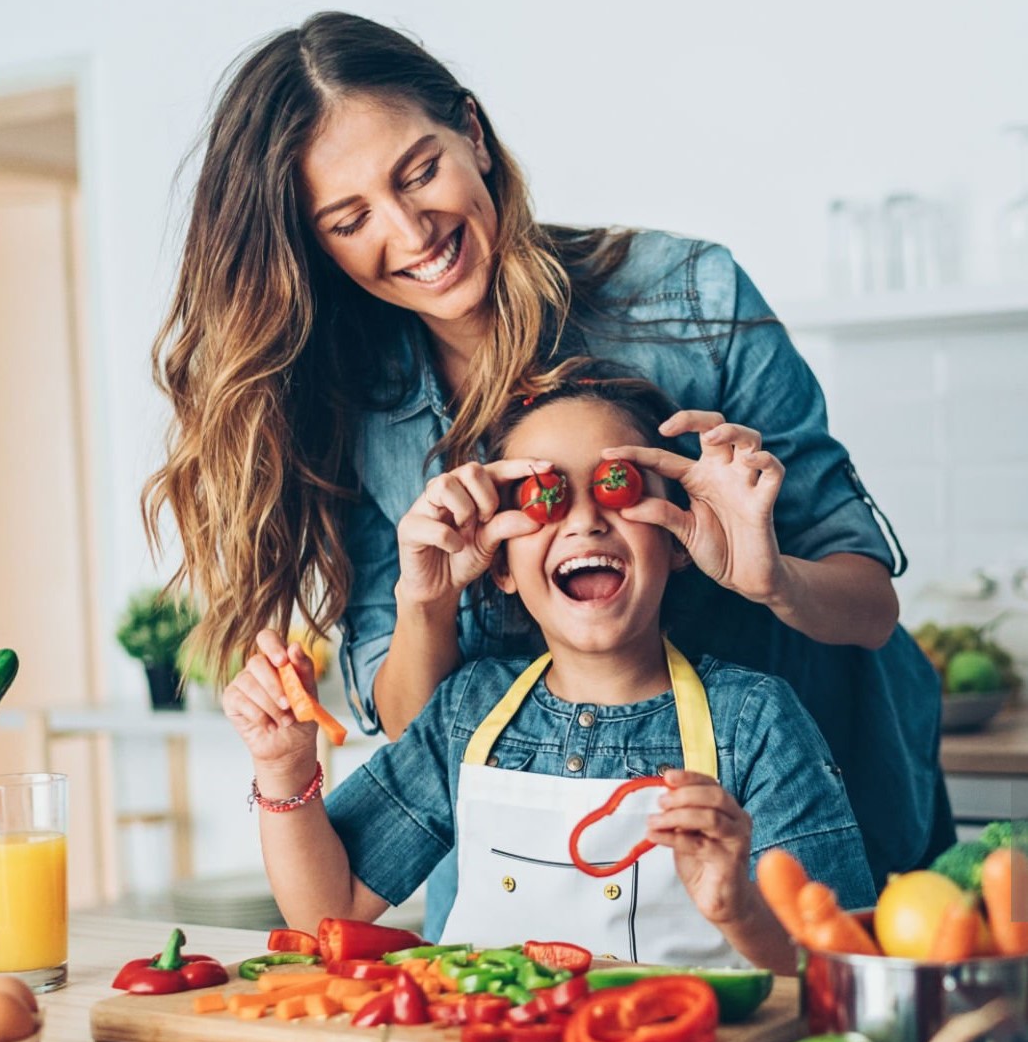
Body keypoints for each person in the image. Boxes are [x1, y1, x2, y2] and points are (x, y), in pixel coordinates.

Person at [145, 12, 949, 934]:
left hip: (786, 821)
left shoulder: (691, 298)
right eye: (350, 219)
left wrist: (771, 579)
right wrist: (426, 602)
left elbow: (867, 604)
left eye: (419, 171)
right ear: (315, 243)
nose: (410, 231)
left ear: (473, 134)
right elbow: (418, 731)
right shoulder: (346, 401)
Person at [222, 375, 877, 973]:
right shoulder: (467, 710)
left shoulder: (755, 720)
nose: (586, 520)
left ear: (677, 538)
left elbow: (841, 966)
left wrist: (739, 911)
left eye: (618, 486)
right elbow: (326, 909)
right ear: (500, 564)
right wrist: (283, 768)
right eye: (545, 499)